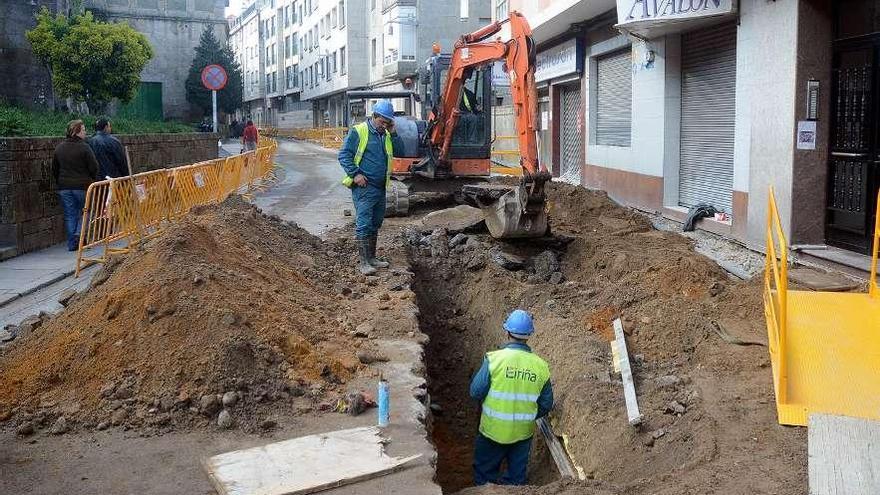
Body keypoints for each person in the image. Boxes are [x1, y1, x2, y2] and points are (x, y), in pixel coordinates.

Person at [469, 310, 554, 486]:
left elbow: (476, 392)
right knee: (516, 481)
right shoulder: (541, 367)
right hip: (522, 433)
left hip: (492, 431)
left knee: (484, 476)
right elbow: (546, 404)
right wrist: (526, 414)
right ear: (529, 335)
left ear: (507, 333)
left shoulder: (494, 360)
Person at [338, 100, 404, 275]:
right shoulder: (359, 131)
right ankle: (364, 262)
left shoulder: (386, 134)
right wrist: (355, 174)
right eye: (382, 122)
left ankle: (372, 257)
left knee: (375, 223)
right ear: (374, 116)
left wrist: (394, 132)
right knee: (364, 224)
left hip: (380, 187)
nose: (384, 125)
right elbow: (344, 155)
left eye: (387, 122)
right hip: (365, 187)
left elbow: (401, 152)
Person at [52, 120, 99, 251]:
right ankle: (79, 233)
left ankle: (73, 243)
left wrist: (60, 181)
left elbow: (55, 168)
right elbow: (94, 167)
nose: (85, 132)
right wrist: (92, 177)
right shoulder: (84, 147)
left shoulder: (59, 148)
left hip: (64, 187)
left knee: (70, 215)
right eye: (83, 130)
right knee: (87, 211)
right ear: (76, 131)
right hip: (82, 186)